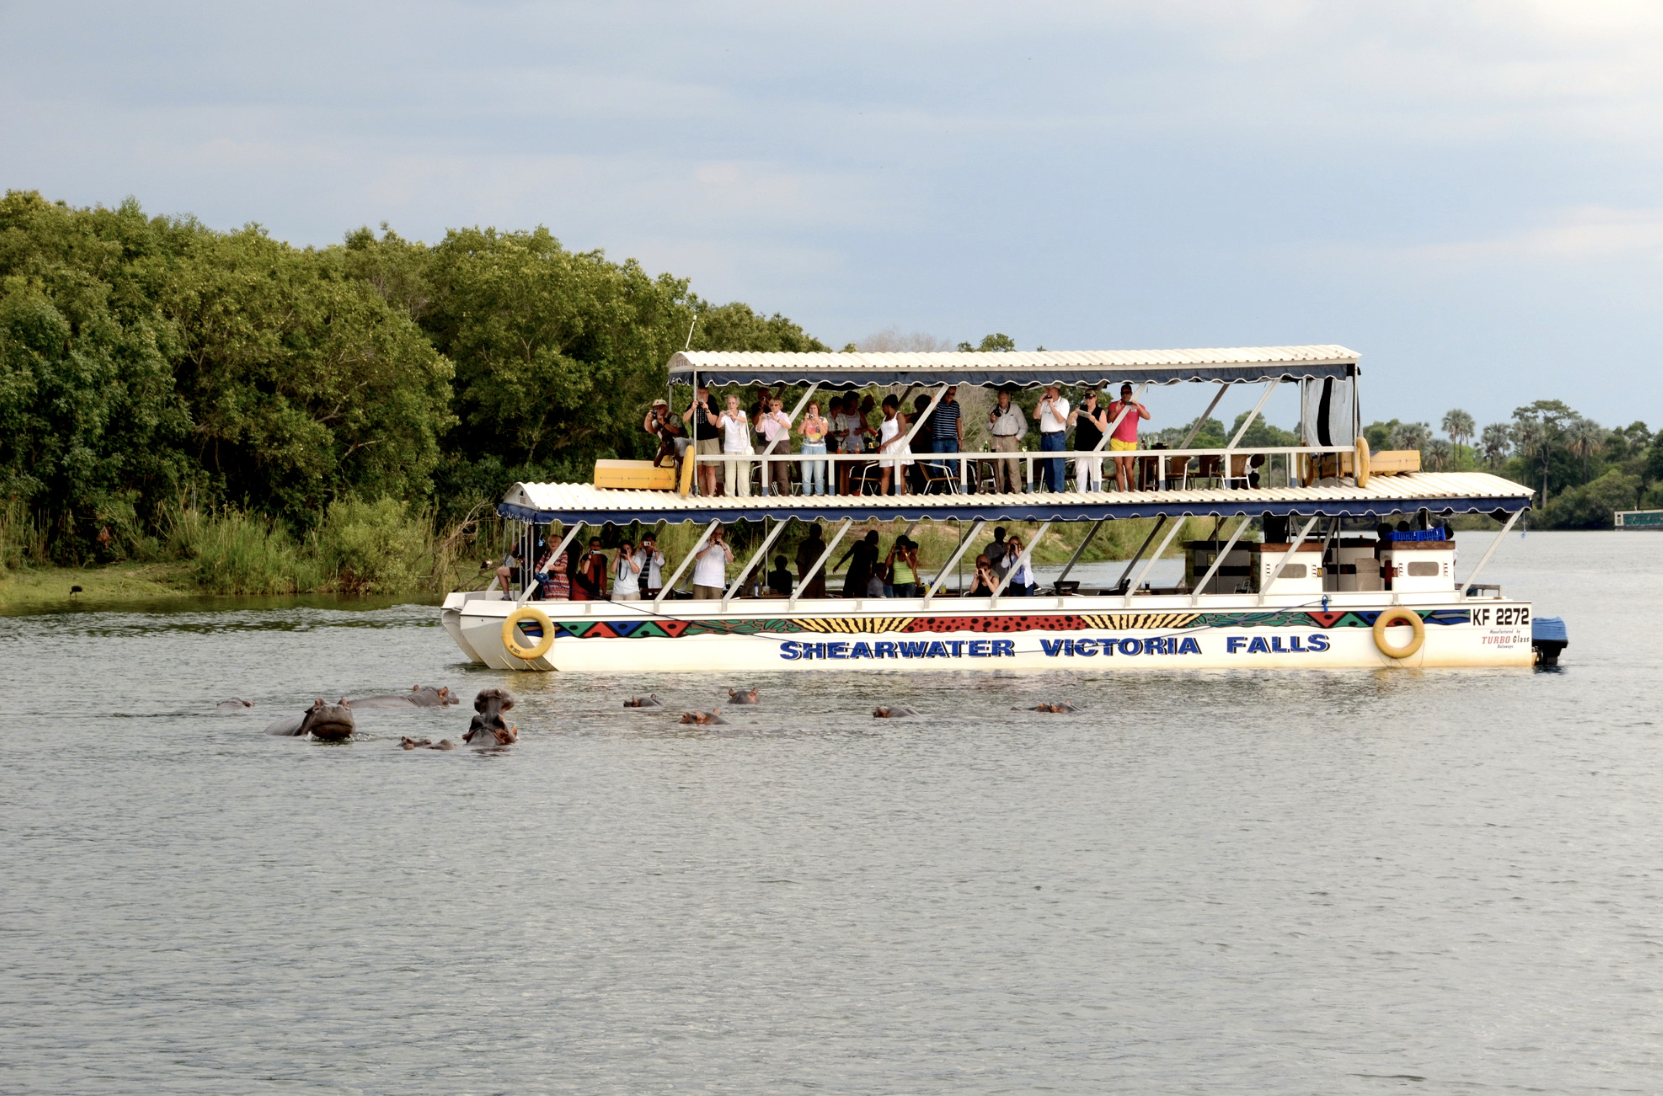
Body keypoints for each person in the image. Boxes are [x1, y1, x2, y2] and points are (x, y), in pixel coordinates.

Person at [1107, 383, 1151, 492]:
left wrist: (1138, 407)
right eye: (1122, 393)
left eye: (1127, 392)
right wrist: (1115, 410)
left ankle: (1131, 490)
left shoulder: (1137, 405)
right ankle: (1122, 492)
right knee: (1119, 466)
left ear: (1131, 393)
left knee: (1128, 467)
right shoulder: (1114, 405)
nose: (1124, 395)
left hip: (1131, 441)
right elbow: (1108, 420)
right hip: (1116, 440)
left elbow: (1148, 417)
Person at [681, 384, 722, 496]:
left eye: (703, 392)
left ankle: (711, 495)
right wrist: (692, 408)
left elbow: (714, 422)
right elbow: (684, 418)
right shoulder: (692, 404)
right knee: (700, 470)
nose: (701, 395)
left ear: (708, 393)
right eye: (699, 392)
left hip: (710, 439)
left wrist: (707, 409)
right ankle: (703, 495)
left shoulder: (713, 404)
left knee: (710, 469)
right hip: (697, 440)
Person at [1069, 388, 1108, 492]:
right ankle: (1081, 494)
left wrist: (1094, 421)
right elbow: (1069, 422)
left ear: (1095, 398)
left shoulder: (1100, 411)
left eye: (1091, 397)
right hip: (1081, 446)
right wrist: (1072, 415)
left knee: (1095, 472)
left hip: (1095, 447)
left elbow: (1103, 428)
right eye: (1087, 398)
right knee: (1081, 472)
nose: (1088, 400)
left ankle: (1096, 494)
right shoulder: (1080, 408)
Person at [1032, 384, 1069, 492]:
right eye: (1046, 389)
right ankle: (1051, 490)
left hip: (1057, 436)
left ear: (1056, 390)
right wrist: (1040, 402)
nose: (1047, 391)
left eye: (1049, 389)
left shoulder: (1063, 402)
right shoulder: (1044, 402)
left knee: (1057, 466)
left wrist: (1052, 406)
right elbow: (1035, 416)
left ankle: (1058, 492)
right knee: (1048, 466)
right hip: (1045, 437)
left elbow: (1061, 420)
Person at [988, 388, 1024, 492]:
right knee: (997, 469)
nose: (1002, 400)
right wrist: (991, 421)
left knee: (1013, 468)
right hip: (997, 439)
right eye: (1000, 398)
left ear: (1008, 399)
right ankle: (999, 492)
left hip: (1011, 439)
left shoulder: (1015, 408)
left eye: (1004, 398)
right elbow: (987, 427)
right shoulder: (993, 408)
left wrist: (1017, 438)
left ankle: (1016, 492)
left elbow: (1024, 427)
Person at [757, 395, 793, 497]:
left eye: (776, 405)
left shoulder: (783, 415)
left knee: (782, 474)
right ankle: (765, 496)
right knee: (767, 473)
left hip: (782, 444)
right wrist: (761, 419)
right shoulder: (767, 416)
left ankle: (784, 497)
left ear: (780, 406)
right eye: (771, 405)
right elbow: (759, 430)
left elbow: (788, 425)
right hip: (769, 444)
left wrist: (776, 419)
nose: (773, 407)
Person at [717, 394, 752, 497]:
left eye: (733, 403)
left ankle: (744, 497)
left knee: (743, 475)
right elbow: (718, 425)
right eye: (729, 403)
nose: (731, 405)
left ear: (737, 404)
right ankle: (729, 497)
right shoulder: (725, 416)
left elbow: (744, 421)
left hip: (742, 448)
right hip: (729, 448)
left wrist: (734, 416)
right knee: (729, 475)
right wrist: (720, 416)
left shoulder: (742, 413)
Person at [876, 395, 910, 496]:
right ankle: (883, 496)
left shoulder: (899, 415)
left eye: (883, 407)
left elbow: (902, 432)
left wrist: (888, 442)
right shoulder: (885, 418)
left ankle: (901, 496)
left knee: (899, 473)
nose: (882, 409)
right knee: (885, 472)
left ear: (888, 406)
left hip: (898, 446)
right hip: (886, 448)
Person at [929, 386, 963, 486]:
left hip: (952, 440)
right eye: (947, 393)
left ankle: (952, 490)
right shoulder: (937, 403)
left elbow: (958, 421)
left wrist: (960, 438)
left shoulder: (956, 405)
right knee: (937, 466)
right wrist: (932, 405)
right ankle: (937, 490)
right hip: (938, 440)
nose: (949, 396)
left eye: (952, 394)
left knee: (952, 466)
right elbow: (928, 414)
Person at [797, 399, 830, 496]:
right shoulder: (804, 419)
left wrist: (817, 421)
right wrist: (806, 420)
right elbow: (799, 431)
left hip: (820, 447)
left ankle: (819, 495)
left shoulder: (823, 419)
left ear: (818, 409)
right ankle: (806, 495)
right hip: (807, 447)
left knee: (819, 475)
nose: (812, 410)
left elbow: (824, 432)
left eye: (814, 408)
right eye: (810, 408)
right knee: (806, 476)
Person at [836, 529, 880, 597]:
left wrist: (872, 577)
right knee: (848, 592)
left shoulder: (874, 550)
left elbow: (874, 564)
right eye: (871, 538)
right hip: (853, 572)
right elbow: (849, 554)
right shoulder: (859, 544)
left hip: (863, 574)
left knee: (861, 592)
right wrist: (839, 564)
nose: (872, 540)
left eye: (873, 538)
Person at [692, 524, 733, 599]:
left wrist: (724, 547)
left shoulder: (726, 546)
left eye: (719, 534)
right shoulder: (702, 543)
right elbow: (697, 557)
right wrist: (710, 546)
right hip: (700, 582)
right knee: (697, 608)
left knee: (715, 609)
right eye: (714, 533)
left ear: (722, 535)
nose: (716, 536)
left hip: (716, 583)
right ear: (710, 533)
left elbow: (730, 560)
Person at [643, 399, 686, 469]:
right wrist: (648, 419)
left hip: (681, 442)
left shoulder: (672, 416)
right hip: (668, 443)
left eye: (660, 407)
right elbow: (650, 430)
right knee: (660, 453)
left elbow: (677, 431)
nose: (658, 410)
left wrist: (664, 423)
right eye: (656, 408)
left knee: (682, 463)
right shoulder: (658, 418)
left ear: (666, 407)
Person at [795, 524, 829, 599]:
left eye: (818, 531)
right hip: (809, 579)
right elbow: (800, 564)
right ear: (811, 532)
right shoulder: (804, 545)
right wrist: (802, 580)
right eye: (815, 531)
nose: (817, 533)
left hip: (820, 578)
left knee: (821, 601)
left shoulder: (822, 545)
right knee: (809, 602)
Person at [634, 535, 667, 599]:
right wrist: (638, 547)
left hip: (653, 586)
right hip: (638, 585)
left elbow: (661, 563)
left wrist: (655, 550)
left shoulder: (658, 553)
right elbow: (632, 561)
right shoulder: (640, 552)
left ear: (654, 542)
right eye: (646, 541)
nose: (648, 543)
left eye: (650, 541)